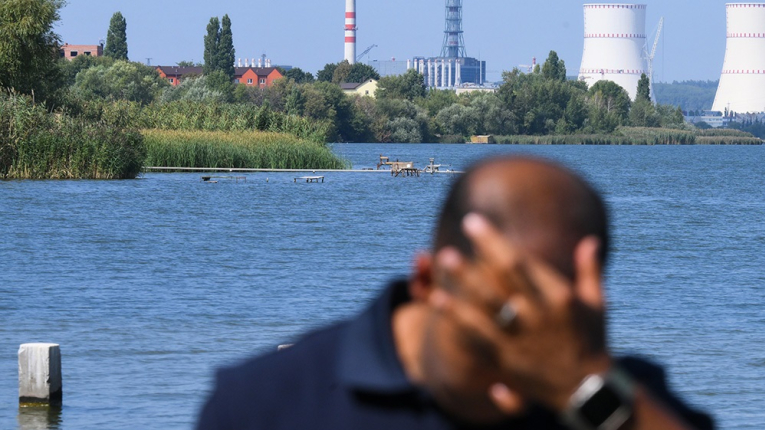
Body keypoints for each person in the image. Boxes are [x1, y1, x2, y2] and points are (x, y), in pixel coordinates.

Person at [197, 155, 714, 430]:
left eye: (533, 351)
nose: (510, 396)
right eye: (488, 342)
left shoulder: (623, 403)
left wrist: (583, 386)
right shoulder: (266, 405)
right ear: (426, 283)